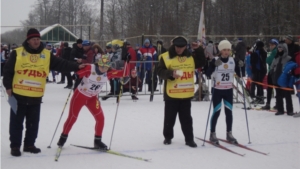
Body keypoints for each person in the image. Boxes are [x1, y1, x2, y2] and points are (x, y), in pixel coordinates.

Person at [3, 28, 86, 157]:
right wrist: (8, 86)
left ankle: (29, 144)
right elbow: (8, 71)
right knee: (16, 123)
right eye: (33, 39)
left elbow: (61, 64)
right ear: (28, 40)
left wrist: (76, 66)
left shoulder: (46, 54)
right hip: (18, 94)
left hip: (36, 95)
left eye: (38, 39)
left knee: (33, 123)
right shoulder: (17, 52)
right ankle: (15, 146)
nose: (36, 41)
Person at [57, 54, 129, 148]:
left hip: (92, 98)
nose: (104, 69)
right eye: (102, 66)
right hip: (80, 97)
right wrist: (76, 75)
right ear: (98, 64)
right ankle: (62, 138)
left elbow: (124, 73)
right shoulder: (90, 68)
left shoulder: (109, 73)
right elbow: (80, 72)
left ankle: (97, 141)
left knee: (100, 118)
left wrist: (127, 61)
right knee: (72, 117)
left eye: (106, 67)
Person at [156, 36, 206, 148]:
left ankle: (189, 139)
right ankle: (168, 137)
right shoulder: (165, 57)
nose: (179, 49)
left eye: (182, 47)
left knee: (187, 119)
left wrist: (198, 49)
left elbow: (202, 62)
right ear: (173, 45)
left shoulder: (190, 57)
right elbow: (159, 71)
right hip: (171, 94)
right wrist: (170, 74)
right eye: (177, 47)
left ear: (185, 47)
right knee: (169, 118)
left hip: (186, 94)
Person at [206, 40, 244, 144]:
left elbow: (240, 74)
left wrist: (241, 66)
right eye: (224, 50)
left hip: (228, 90)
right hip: (217, 90)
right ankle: (212, 133)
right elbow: (208, 73)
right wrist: (214, 65)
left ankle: (229, 133)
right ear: (220, 50)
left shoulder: (233, 60)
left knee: (229, 112)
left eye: (228, 50)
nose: (226, 52)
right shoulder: (216, 60)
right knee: (216, 112)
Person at [270, 43, 294, 115]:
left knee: (287, 95)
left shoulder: (288, 58)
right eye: (279, 48)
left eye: (281, 48)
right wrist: (272, 73)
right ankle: (280, 110)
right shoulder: (276, 58)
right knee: (278, 95)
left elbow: (291, 68)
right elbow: (272, 67)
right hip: (276, 79)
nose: (280, 50)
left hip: (285, 80)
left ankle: (290, 110)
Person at [261, 39, 279, 110]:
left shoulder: (275, 51)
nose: (271, 46)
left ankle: (269, 103)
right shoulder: (274, 51)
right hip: (273, 71)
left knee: (270, 88)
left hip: (273, 72)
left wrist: (267, 59)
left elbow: (268, 60)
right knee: (274, 89)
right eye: (270, 45)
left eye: (272, 45)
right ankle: (277, 103)